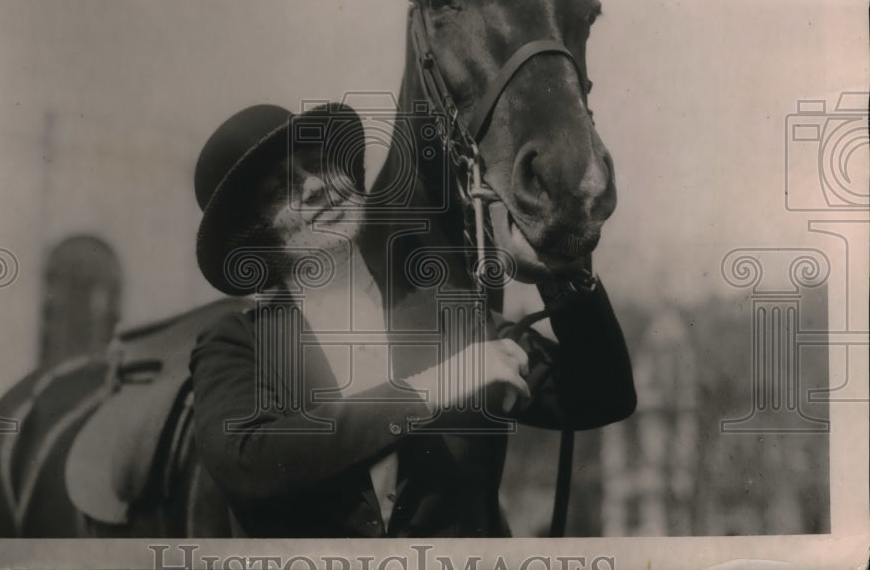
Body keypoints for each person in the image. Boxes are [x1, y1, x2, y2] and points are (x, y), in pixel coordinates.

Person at [190, 103, 635, 538]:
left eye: (318, 164)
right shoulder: (235, 343)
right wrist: (435, 387)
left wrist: (563, 273)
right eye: (278, 190)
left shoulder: (451, 313)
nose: (313, 187)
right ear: (253, 236)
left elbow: (602, 395)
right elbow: (246, 462)